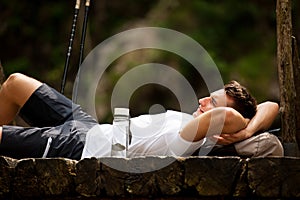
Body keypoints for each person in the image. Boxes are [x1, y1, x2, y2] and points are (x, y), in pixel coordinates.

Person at [0, 73, 283, 160]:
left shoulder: (189, 140)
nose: (202, 100)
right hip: (92, 128)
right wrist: (249, 129)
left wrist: (243, 130)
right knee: (15, 83)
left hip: (79, 148)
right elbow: (272, 106)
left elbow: (224, 115)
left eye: (212, 101)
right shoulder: (190, 126)